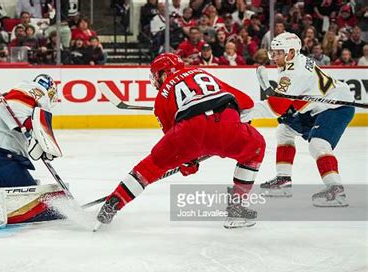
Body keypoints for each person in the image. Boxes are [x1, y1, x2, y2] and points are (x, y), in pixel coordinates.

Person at [95, 53, 266, 229]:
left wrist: (188, 162)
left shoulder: (161, 98)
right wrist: (239, 126)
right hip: (227, 121)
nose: (155, 80)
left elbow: (174, 140)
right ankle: (236, 210)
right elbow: (247, 103)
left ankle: (111, 205)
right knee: (256, 148)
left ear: (163, 74)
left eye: (155, 75)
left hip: (189, 131)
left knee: (151, 165)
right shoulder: (201, 73)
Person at [247, 32, 355, 207]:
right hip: (314, 107)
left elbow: (276, 108)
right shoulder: (294, 61)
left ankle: (336, 191)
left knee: (318, 145)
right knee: (285, 130)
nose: (274, 57)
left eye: (278, 52)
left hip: (336, 107)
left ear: (291, 52)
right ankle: (284, 180)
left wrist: (245, 113)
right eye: (273, 52)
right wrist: (274, 95)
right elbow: (289, 101)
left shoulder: (294, 73)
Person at [0, 75, 63, 228]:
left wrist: (36, 136)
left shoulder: (4, 98)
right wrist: (35, 131)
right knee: (33, 204)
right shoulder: (34, 90)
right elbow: (19, 109)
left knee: (29, 186)